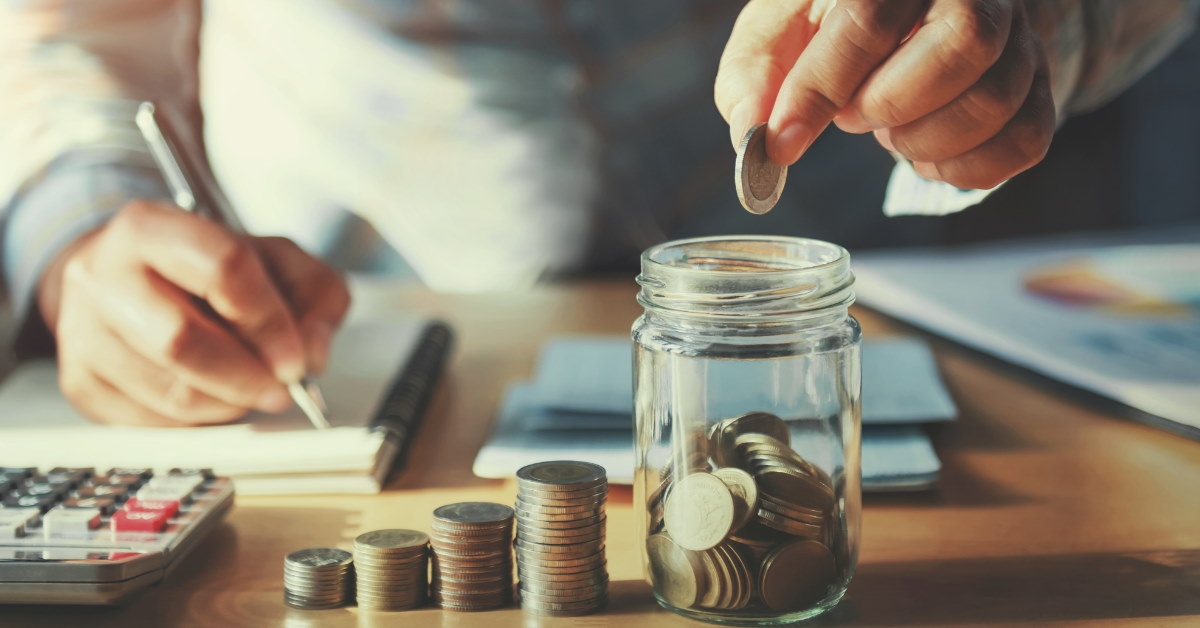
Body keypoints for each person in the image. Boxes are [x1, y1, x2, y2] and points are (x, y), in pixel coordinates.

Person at [0, 0, 1194, 427]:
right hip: (359, 324)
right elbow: (75, 27)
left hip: (897, 279)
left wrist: (1026, 18)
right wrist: (85, 220)